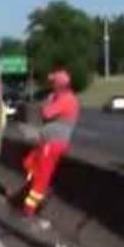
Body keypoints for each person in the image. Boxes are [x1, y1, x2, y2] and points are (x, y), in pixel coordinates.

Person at [21, 69, 80, 216]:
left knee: (42, 175)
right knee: (30, 163)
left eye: (53, 83)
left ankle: (29, 207)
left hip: (53, 144)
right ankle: (29, 191)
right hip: (47, 141)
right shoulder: (62, 98)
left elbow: (46, 113)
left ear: (59, 85)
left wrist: (48, 101)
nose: (51, 85)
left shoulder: (66, 99)